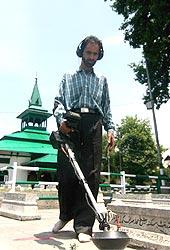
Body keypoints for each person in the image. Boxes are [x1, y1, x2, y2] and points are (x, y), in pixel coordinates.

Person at [52, 35, 115, 243]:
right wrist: (61, 121)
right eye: (88, 53)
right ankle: (65, 215)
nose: (91, 57)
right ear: (81, 52)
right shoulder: (68, 76)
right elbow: (59, 102)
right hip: (71, 123)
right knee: (67, 172)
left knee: (90, 175)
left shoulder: (102, 80)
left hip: (94, 125)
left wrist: (111, 129)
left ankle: (84, 226)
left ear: (100, 55)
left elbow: (106, 107)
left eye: (95, 54)